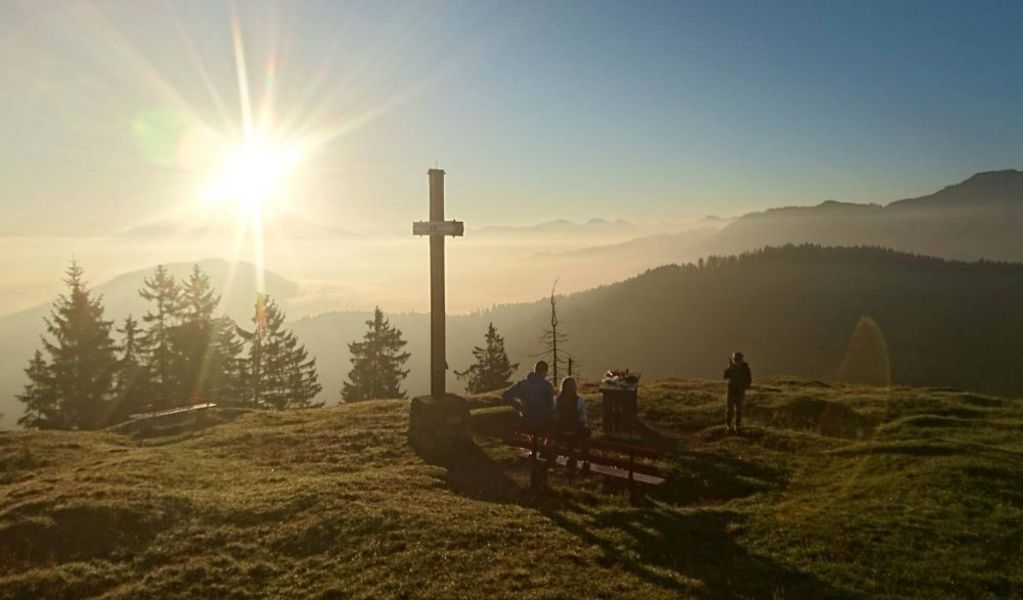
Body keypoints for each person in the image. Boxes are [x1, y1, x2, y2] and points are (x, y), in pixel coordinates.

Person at [503, 360, 555, 431]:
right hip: (543, 422)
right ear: (545, 372)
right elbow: (550, 407)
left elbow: (506, 395)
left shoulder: (523, 384)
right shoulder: (547, 386)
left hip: (526, 420)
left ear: (534, 370)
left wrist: (518, 406)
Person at [723, 351, 752, 433]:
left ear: (741, 359)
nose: (734, 360)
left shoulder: (745, 369)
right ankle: (729, 426)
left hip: (739, 392)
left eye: (736, 359)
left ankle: (736, 427)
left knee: (738, 410)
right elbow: (725, 376)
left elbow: (749, 380)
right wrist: (729, 369)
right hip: (731, 391)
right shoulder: (732, 367)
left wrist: (743, 388)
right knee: (729, 410)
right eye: (734, 358)